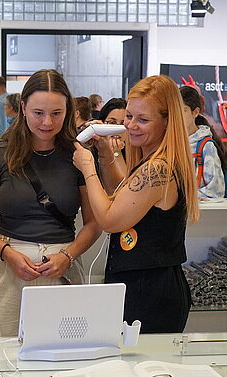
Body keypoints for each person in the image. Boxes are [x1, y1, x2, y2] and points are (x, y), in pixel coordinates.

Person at [0, 69, 101, 337]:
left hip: (62, 268)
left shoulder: (79, 156)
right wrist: (7, 253)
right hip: (9, 268)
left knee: (63, 351)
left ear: (68, 111)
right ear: (23, 108)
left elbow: (94, 222)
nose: (47, 122)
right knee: (8, 353)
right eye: (38, 113)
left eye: (56, 113)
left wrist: (68, 255)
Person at [73, 75, 199, 334]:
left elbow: (110, 220)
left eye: (143, 120)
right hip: (142, 284)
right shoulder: (153, 162)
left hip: (150, 292)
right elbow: (124, 195)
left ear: (167, 121)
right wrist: (106, 153)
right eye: (129, 116)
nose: (131, 126)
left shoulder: (157, 169)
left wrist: (88, 168)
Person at [180, 85, 226, 199]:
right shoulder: (168, 143)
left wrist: (181, 198)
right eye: (174, 111)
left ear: (195, 112)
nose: (178, 116)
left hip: (199, 208)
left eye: (183, 110)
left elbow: (216, 190)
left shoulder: (206, 146)